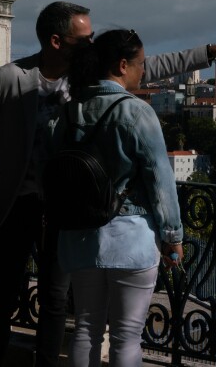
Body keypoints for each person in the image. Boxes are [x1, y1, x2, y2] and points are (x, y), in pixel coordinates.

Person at [0, 1, 216, 367]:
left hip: (67, 207)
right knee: (2, 298)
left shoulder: (85, 78)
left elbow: (145, 67)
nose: (92, 44)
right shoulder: (10, 78)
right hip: (15, 204)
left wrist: (212, 52)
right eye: (83, 38)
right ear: (56, 41)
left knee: (56, 300)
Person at [51, 29, 183, 367]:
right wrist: (173, 237)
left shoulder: (69, 110)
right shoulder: (136, 112)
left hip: (79, 235)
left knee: (85, 329)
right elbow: (160, 180)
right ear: (122, 66)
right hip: (130, 237)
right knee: (127, 337)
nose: (143, 71)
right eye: (141, 64)